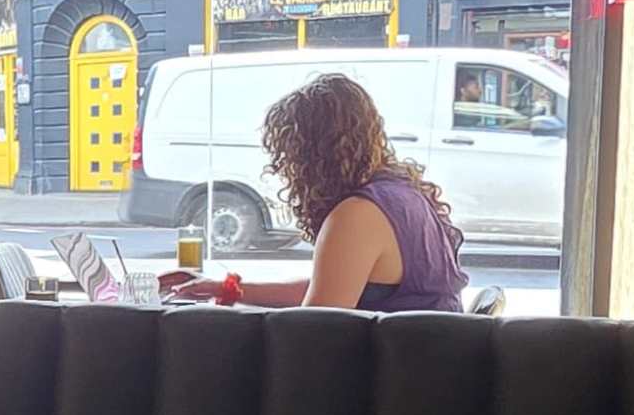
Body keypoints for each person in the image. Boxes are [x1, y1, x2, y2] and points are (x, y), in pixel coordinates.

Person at [159, 70, 466, 313]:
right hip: (430, 362)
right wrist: (226, 289)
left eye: (288, 158)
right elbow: (333, 287)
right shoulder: (402, 194)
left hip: (397, 370)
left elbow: (313, 334)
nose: (286, 171)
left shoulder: (358, 214)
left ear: (310, 158)